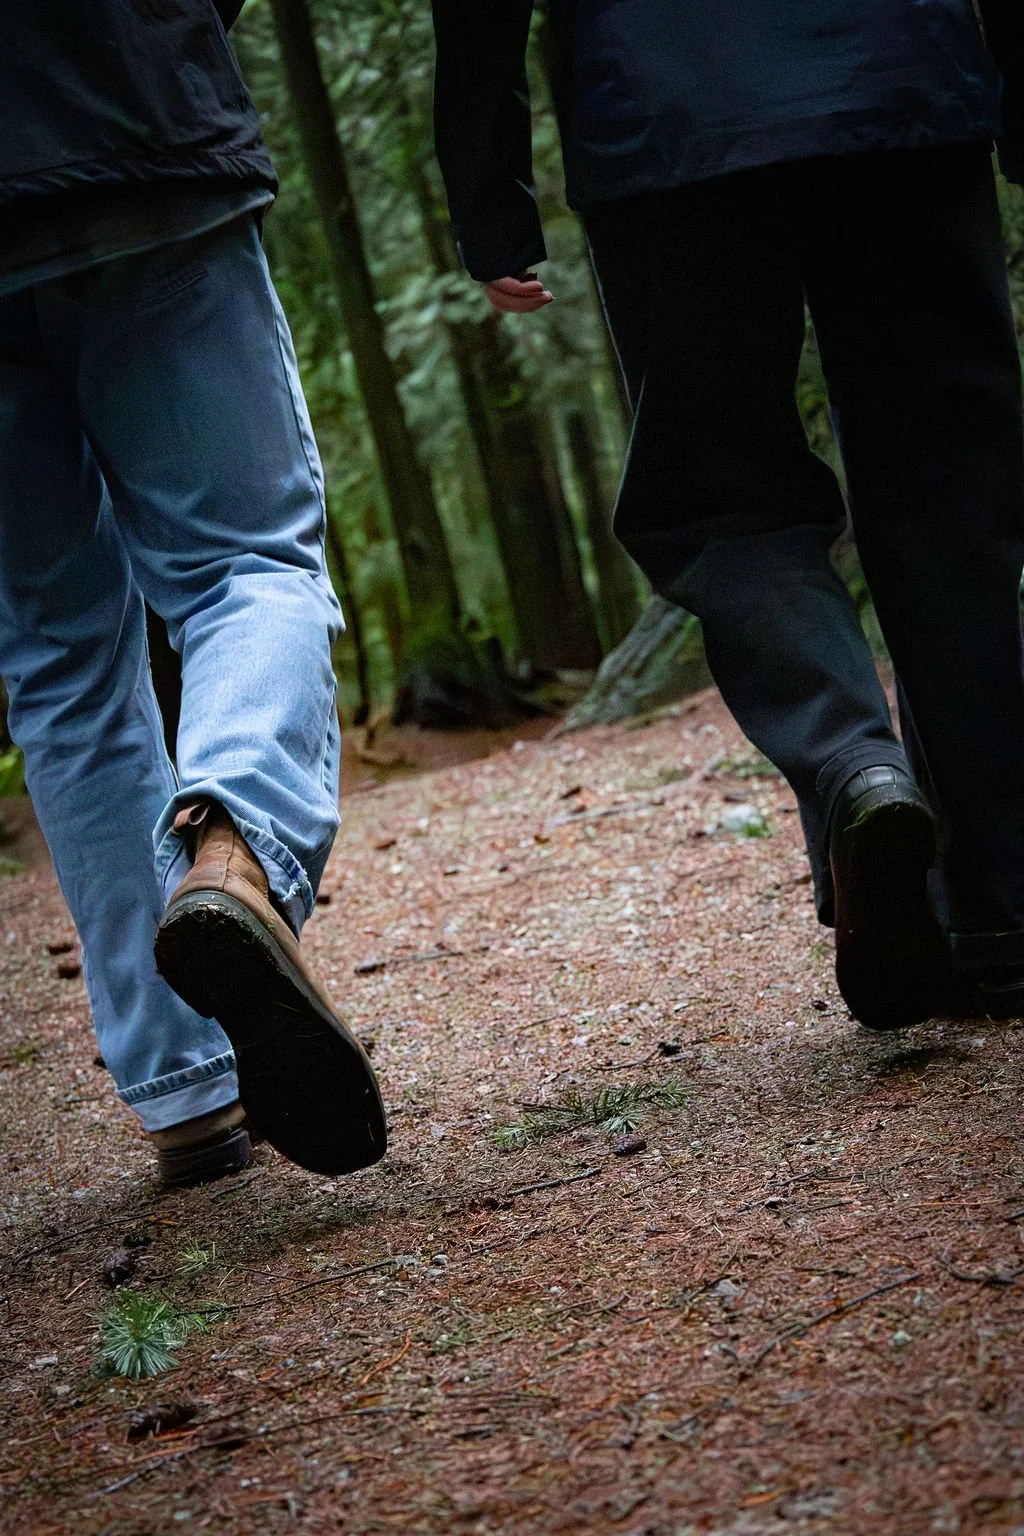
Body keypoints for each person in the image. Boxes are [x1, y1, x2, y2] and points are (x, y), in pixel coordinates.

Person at [432, 0, 1024, 1032]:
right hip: (902, 79)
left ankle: (855, 767)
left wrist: (487, 185)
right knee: (948, 498)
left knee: (724, 503)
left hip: (666, 112)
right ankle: (1004, 914)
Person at [0, 0, 386, 1185]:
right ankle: (233, 856)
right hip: (132, 121)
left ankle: (184, 1092)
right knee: (244, 565)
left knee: (58, 661)